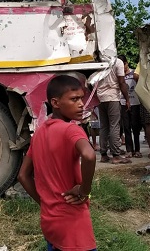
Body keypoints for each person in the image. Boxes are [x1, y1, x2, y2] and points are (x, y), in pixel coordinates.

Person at [18, 75, 97, 251]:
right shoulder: (71, 130)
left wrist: (45, 202)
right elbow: (89, 155)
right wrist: (85, 190)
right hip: (73, 223)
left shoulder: (39, 133)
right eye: (74, 99)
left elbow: (23, 175)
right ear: (55, 102)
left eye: (81, 98)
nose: (81, 104)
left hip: (50, 221)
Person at [95, 56, 132, 164]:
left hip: (100, 98)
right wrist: (127, 99)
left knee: (104, 126)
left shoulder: (98, 62)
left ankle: (104, 154)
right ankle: (116, 155)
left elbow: (90, 82)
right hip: (112, 97)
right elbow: (121, 82)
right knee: (114, 125)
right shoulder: (118, 62)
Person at [120, 55, 143, 158]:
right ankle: (129, 150)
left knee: (136, 127)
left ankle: (137, 150)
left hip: (135, 103)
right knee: (126, 127)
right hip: (123, 104)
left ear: (126, 63)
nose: (122, 68)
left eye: (123, 65)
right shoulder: (119, 76)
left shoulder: (135, 73)